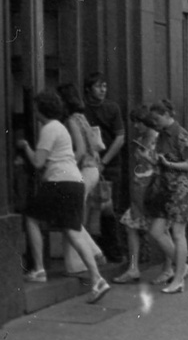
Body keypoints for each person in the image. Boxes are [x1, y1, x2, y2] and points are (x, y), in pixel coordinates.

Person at [17, 90, 111, 304]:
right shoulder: (60, 127)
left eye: (36, 107)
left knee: (31, 218)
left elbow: (38, 162)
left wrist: (25, 147)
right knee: (73, 230)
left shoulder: (49, 128)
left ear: (41, 109)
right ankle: (97, 278)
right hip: (74, 181)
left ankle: (40, 269)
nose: (34, 111)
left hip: (59, 182)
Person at [146, 101, 188, 294]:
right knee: (157, 231)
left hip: (182, 188)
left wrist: (168, 164)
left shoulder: (179, 134)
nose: (155, 123)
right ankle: (181, 268)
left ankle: (178, 279)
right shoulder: (163, 136)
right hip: (168, 188)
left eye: (157, 119)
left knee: (177, 233)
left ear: (167, 114)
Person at [56, 83, 106, 275]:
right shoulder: (82, 118)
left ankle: (93, 252)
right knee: (73, 216)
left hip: (83, 169)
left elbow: (80, 150)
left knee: (70, 218)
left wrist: (68, 166)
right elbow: (94, 145)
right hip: (92, 170)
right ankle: (80, 261)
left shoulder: (71, 120)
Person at [112, 107, 161, 284]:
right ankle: (134, 268)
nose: (136, 126)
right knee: (131, 225)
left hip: (151, 191)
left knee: (161, 230)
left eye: (139, 122)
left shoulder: (157, 138)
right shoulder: (141, 139)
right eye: (134, 122)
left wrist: (145, 158)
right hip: (139, 189)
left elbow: (161, 164)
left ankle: (177, 266)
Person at [83, 72, 127, 263]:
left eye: (105, 86)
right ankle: (94, 250)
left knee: (109, 208)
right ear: (88, 89)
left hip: (109, 165)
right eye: (98, 86)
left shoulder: (112, 108)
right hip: (88, 164)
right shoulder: (82, 110)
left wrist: (104, 162)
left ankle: (114, 251)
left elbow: (120, 137)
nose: (102, 90)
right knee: (90, 208)